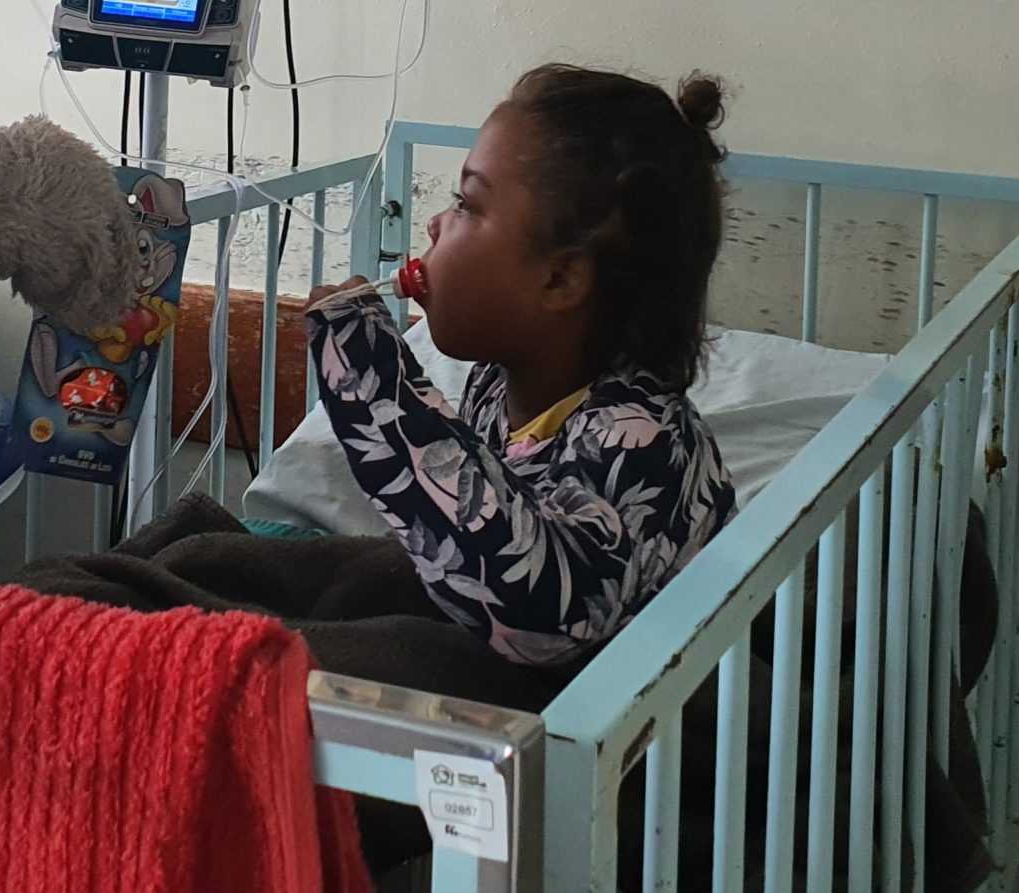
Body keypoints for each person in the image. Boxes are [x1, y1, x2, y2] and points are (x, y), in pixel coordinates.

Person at [301, 65, 738, 666]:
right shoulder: (495, 386)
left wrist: (370, 380)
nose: (433, 223)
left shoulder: (648, 444)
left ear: (559, 280)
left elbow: (537, 610)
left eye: (466, 204)